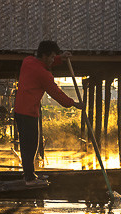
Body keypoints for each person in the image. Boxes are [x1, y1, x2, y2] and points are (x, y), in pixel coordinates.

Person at [13, 40, 83, 182]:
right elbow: (57, 94)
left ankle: (29, 174)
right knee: (30, 146)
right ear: (44, 55)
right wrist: (74, 104)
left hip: (19, 110)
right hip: (28, 113)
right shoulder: (43, 74)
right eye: (51, 57)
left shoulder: (28, 61)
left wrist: (60, 57)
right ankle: (29, 178)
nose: (52, 59)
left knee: (28, 145)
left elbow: (44, 63)